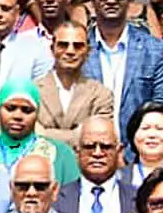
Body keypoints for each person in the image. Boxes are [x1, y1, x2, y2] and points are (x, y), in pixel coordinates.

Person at [82, 0, 163, 127]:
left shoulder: (156, 50)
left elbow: (162, 109)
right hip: (88, 149)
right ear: (92, 0)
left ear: (129, 0)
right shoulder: (77, 49)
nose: (111, 0)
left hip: (140, 149)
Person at [0, 78, 77, 186]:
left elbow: (72, 197)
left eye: (26, 110)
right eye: (10, 108)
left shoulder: (61, 154)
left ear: (37, 114)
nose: (17, 116)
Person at [34, 21, 115, 149]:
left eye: (78, 46)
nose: (70, 51)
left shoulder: (101, 94)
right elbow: (30, 136)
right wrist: (77, 135)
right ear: (52, 49)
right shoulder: (32, 91)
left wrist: (45, 134)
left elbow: (97, 136)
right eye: (63, 45)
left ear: (87, 51)